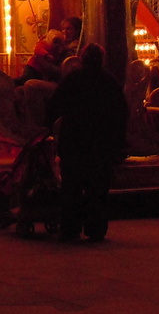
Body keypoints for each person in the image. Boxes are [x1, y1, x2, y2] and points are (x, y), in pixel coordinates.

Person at [47, 43, 128, 242]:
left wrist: (47, 124)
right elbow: (121, 113)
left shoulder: (72, 80)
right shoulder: (109, 82)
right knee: (98, 188)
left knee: (71, 186)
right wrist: (118, 141)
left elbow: (56, 104)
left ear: (81, 59)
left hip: (74, 141)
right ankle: (96, 228)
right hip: (100, 144)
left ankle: (70, 228)